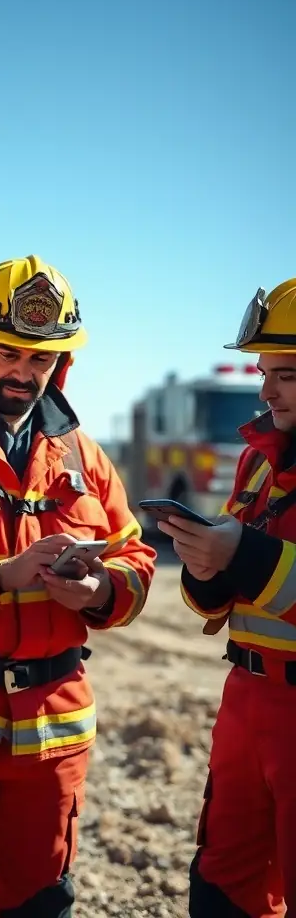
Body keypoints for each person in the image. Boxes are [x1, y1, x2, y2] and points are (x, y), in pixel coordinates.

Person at [0, 256, 157, 917]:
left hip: (53, 732)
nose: (24, 372)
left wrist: (103, 590)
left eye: (42, 360)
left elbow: (136, 553)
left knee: (36, 903)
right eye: (8, 352)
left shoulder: (83, 454)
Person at [163, 278, 296, 918]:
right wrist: (206, 569)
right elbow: (221, 602)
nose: (266, 391)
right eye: (266, 372)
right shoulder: (259, 461)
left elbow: (257, 559)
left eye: (287, 375)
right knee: (223, 884)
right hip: (246, 701)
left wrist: (243, 554)